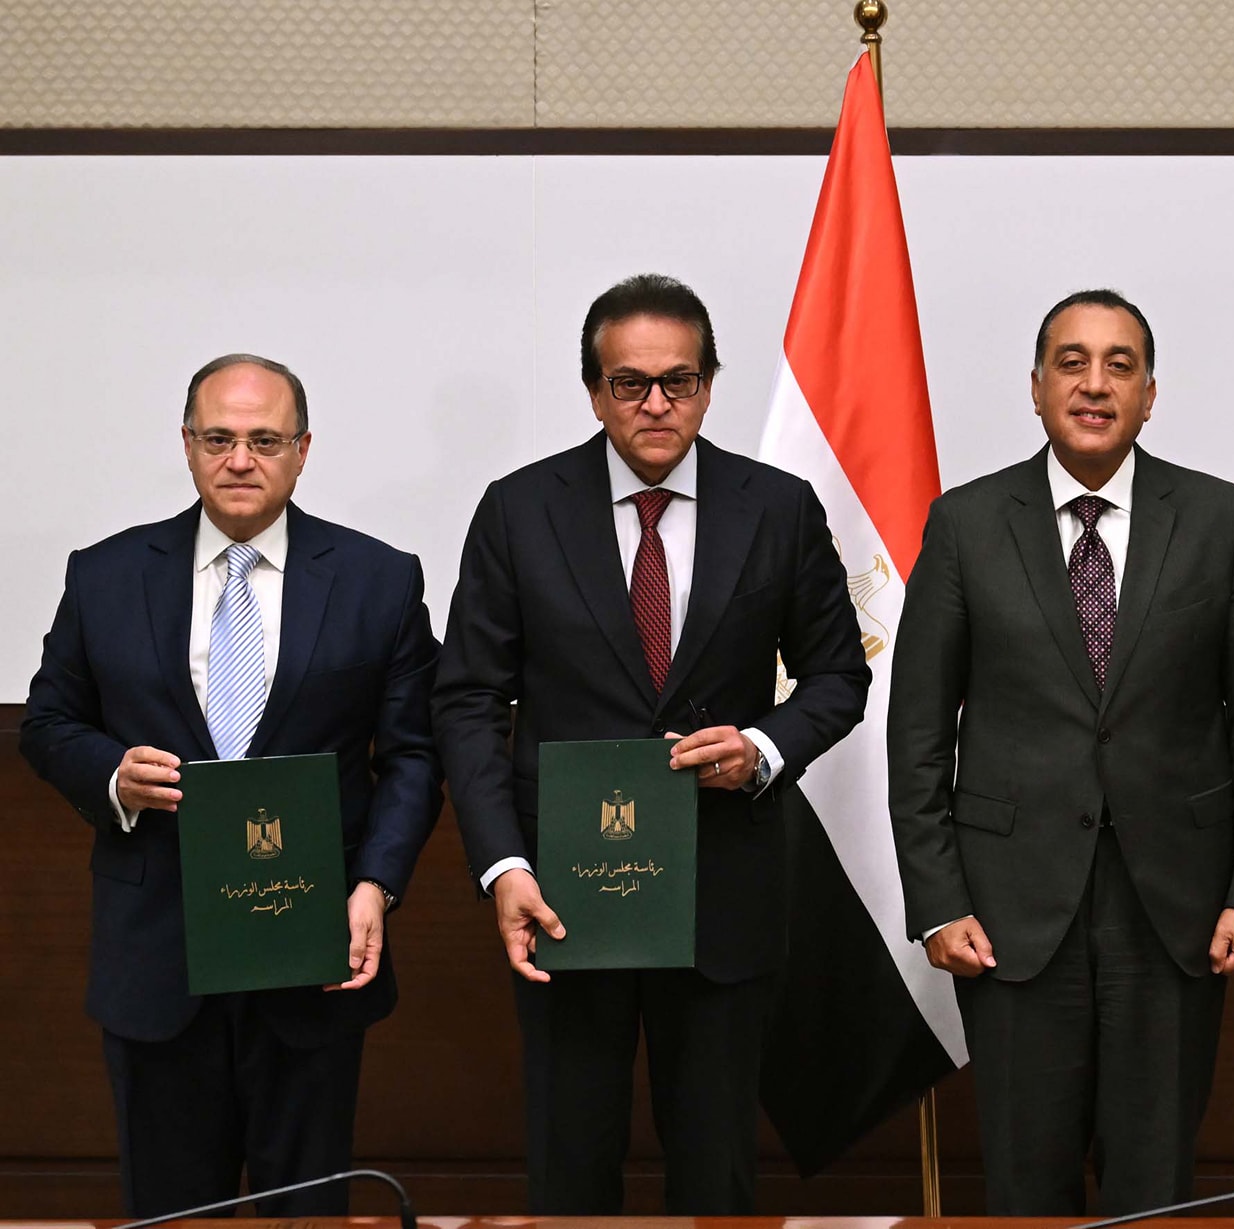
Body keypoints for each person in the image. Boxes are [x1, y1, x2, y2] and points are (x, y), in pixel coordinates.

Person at [433, 274, 870, 1214]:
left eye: (679, 380)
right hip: (563, 896)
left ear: (709, 386)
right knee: (571, 1174)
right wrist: (503, 864)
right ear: (594, 392)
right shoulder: (519, 509)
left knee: (715, 1177)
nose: (657, 403)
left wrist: (761, 748)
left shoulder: (779, 507)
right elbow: (467, 699)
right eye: (630, 383)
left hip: (722, 893)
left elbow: (839, 677)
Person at [888, 289, 1234, 1215]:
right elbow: (917, 733)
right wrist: (938, 901)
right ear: (1036, 387)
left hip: (1177, 911)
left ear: (1150, 394)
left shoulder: (1220, 517)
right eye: (1071, 362)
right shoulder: (964, 524)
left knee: (1153, 1187)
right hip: (1009, 914)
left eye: (1121, 365)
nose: (1094, 383)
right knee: (1026, 1186)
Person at [20, 354, 441, 1216]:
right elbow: (48, 722)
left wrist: (376, 884)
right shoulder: (104, 575)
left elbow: (413, 754)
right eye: (218, 438)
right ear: (186, 445)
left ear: (302, 449)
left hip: (314, 954)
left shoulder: (380, 579)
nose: (239, 459)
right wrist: (112, 773)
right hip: (158, 959)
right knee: (172, 1211)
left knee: (307, 1213)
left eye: (264, 440)